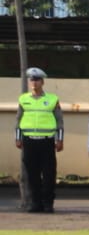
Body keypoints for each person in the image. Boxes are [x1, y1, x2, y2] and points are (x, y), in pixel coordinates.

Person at [16, 66, 63, 213]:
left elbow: (59, 120)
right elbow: (18, 120)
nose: (34, 83)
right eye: (32, 80)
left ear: (42, 82)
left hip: (47, 141)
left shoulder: (52, 99)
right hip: (29, 141)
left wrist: (59, 139)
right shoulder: (23, 99)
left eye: (37, 80)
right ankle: (35, 203)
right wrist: (18, 138)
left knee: (49, 173)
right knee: (32, 174)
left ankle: (48, 203)